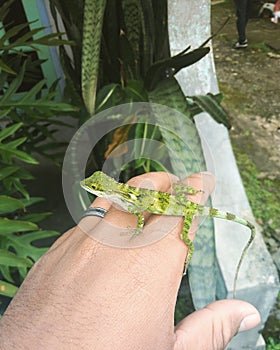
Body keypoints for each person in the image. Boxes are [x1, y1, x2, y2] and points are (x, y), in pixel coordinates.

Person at [0, 172, 260, 349]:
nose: (90, 188)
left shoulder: (128, 200)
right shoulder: (124, 197)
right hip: (172, 200)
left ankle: (190, 250)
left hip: (180, 208)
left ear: (104, 190)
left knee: (184, 238)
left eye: (94, 187)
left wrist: (138, 232)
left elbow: (138, 216)